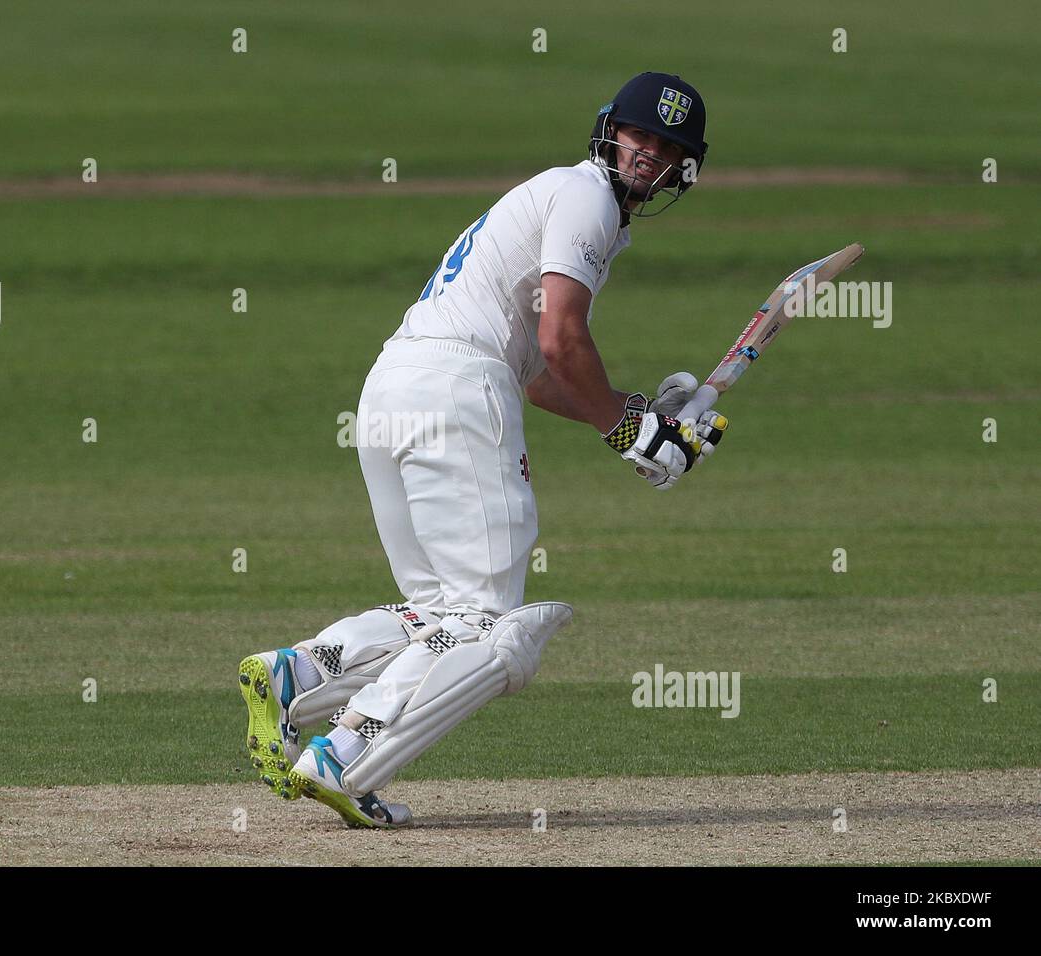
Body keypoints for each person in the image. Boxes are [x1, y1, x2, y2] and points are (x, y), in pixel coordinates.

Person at [237, 72, 727, 828]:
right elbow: (560, 341)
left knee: (442, 613)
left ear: (681, 172)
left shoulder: (561, 198)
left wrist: (639, 419)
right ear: (609, 130)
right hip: (458, 390)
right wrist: (635, 435)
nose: (646, 155)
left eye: (665, 148)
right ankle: (343, 758)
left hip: (395, 385)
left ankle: (296, 674)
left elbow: (538, 377)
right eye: (639, 135)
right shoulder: (587, 198)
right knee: (492, 631)